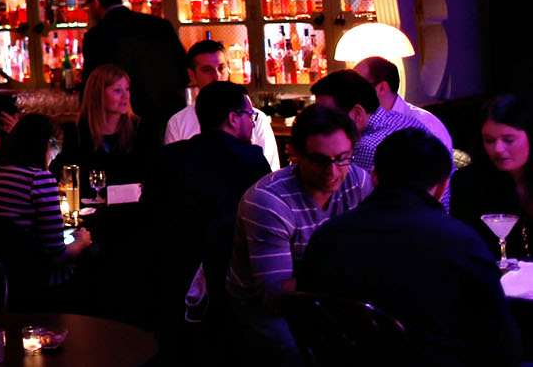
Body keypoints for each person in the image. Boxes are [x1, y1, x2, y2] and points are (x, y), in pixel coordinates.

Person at [299, 127, 519, 367]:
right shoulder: (462, 243)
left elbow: (307, 320)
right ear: (442, 187)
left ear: (374, 176)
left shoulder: (327, 237)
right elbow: (501, 346)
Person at [227, 104, 370, 365]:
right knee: (301, 353)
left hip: (330, 296)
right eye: (319, 160)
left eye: (342, 158)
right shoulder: (268, 202)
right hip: (262, 306)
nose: (332, 172)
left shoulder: (358, 183)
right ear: (296, 154)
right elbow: (274, 297)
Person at [146, 81, 271, 331]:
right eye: (250, 116)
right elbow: (264, 219)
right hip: (231, 282)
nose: (252, 123)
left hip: (166, 277)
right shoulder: (251, 160)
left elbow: (148, 213)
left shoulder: (167, 157)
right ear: (233, 118)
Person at [0, 113, 91, 277]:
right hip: (30, 277)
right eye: (53, 156)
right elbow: (57, 257)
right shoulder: (38, 179)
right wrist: (82, 241)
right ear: (49, 144)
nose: (49, 163)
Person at [80, 0, 190, 135]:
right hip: (174, 123)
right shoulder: (161, 25)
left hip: (129, 129)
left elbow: (91, 92)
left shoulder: (96, 36)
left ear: (95, 2)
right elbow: (185, 73)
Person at [165, 40, 280, 170]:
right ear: (192, 75)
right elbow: (173, 172)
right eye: (207, 70)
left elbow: (270, 175)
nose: (217, 76)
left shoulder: (254, 118)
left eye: (221, 68)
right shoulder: (178, 123)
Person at [451, 94, 533, 260]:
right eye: (489, 141)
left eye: (508, 140)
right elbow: (463, 247)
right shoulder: (467, 182)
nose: (498, 149)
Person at [51, 64, 151, 191]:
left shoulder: (140, 129)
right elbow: (61, 174)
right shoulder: (77, 133)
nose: (126, 96)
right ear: (98, 95)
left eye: (127, 89)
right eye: (117, 90)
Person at [310, 68, 418, 174]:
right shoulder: (406, 119)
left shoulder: (365, 148)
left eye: (328, 114)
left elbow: (348, 185)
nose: (320, 121)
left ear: (357, 114)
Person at [354, 55, 454, 156]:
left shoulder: (422, 124)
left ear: (382, 88)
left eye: (357, 86)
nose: (350, 93)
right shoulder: (363, 122)